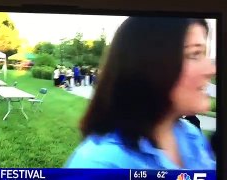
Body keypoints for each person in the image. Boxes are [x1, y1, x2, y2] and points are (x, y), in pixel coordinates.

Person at [64, 17, 216, 169]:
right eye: (195, 54)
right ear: (149, 66)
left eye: (205, 54)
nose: (212, 70)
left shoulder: (192, 136)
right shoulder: (99, 164)